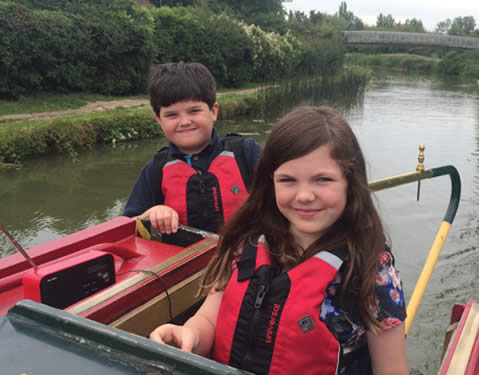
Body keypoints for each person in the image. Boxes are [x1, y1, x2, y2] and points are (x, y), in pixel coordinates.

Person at [149, 106, 409, 375]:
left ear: (350, 184)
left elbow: (391, 370)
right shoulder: (244, 242)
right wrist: (190, 334)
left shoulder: (372, 272)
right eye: (288, 180)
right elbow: (209, 318)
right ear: (269, 181)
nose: (305, 195)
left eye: (323, 180)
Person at [123, 62, 263, 235]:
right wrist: (151, 214)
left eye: (194, 111)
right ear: (159, 120)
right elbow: (126, 228)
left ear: (213, 111)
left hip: (247, 259)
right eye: (172, 115)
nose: (184, 122)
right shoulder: (155, 171)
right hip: (187, 260)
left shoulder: (247, 153)